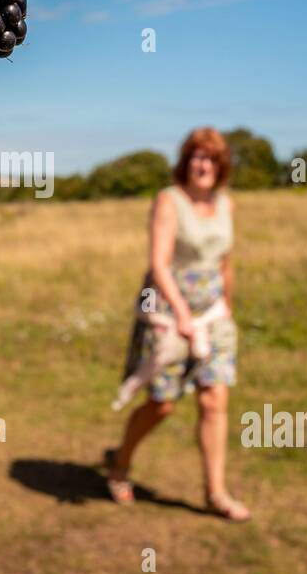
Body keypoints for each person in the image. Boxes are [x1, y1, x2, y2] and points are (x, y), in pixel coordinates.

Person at [106, 127, 251, 521]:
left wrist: (228, 307)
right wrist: (183, 316)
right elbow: (159, 263)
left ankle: (215, 492)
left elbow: (225, 261)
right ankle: (119, 464)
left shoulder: (226, 204)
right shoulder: (168, 201)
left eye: (211, 158)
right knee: (162, 404)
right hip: (169, 314)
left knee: (214, 399)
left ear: (221, 166)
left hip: (214, 315)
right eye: (196, 157)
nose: (203, 165)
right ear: (186, 162)